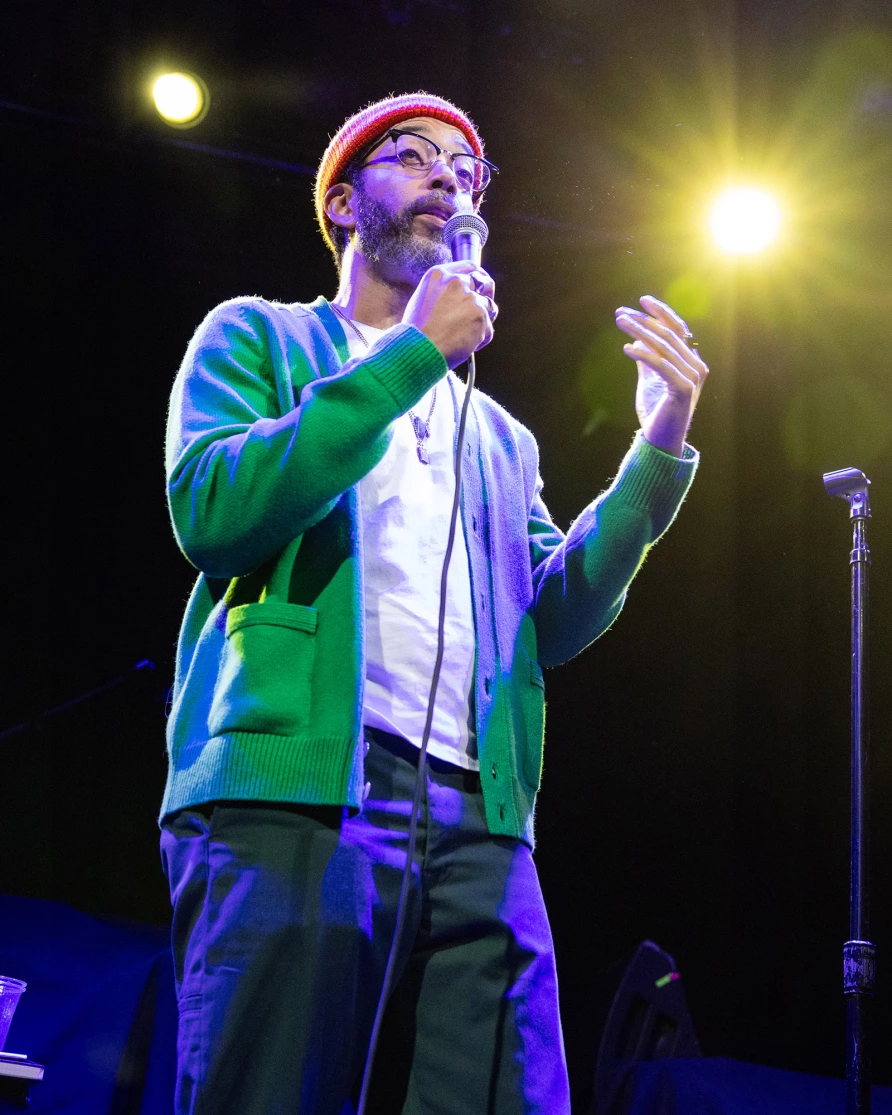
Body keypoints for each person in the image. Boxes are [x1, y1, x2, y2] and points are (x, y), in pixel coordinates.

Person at [159, 92, 708, 1115]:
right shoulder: (260, 338)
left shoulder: (497, 435)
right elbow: (213, 512)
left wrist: (655, 449)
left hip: (479, 820)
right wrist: (413, 356)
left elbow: (552, 616)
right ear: (340, 201)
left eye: (466, 166)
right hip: (299, 790)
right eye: (412, 156)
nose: (446, 177)